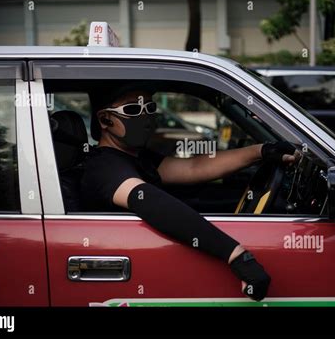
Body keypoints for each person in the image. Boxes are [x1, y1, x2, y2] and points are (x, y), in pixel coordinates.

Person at [80, 83, 299, 301]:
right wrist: (235, 254)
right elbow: (146, 199)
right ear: (105, 120)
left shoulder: (136, 158)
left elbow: (194, 167)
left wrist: (261, 151)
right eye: (133, 110)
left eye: (149, 107)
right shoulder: (104, 167)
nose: (144, 116)